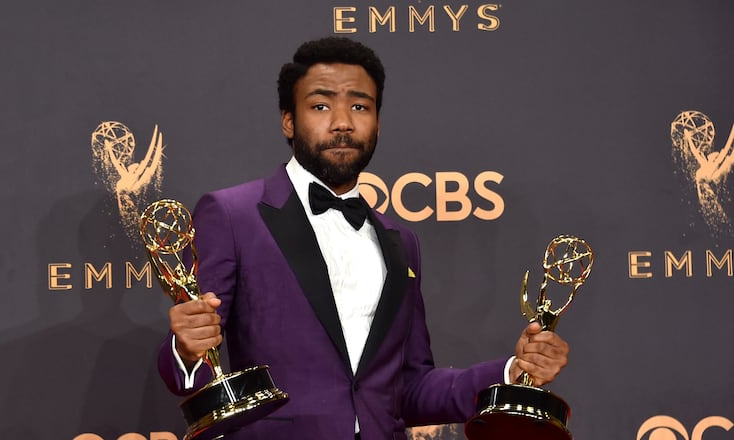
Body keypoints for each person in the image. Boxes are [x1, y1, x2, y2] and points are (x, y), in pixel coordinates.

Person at [157, 36, 569, 439]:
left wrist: (512, 373)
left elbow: (412, 388)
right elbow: (198, 362)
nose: (342, 122)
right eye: (320, 106)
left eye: (359, 106)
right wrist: (187, 351)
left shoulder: (400, 242)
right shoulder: (233, 215)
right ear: (288, 119)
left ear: (377, 122)